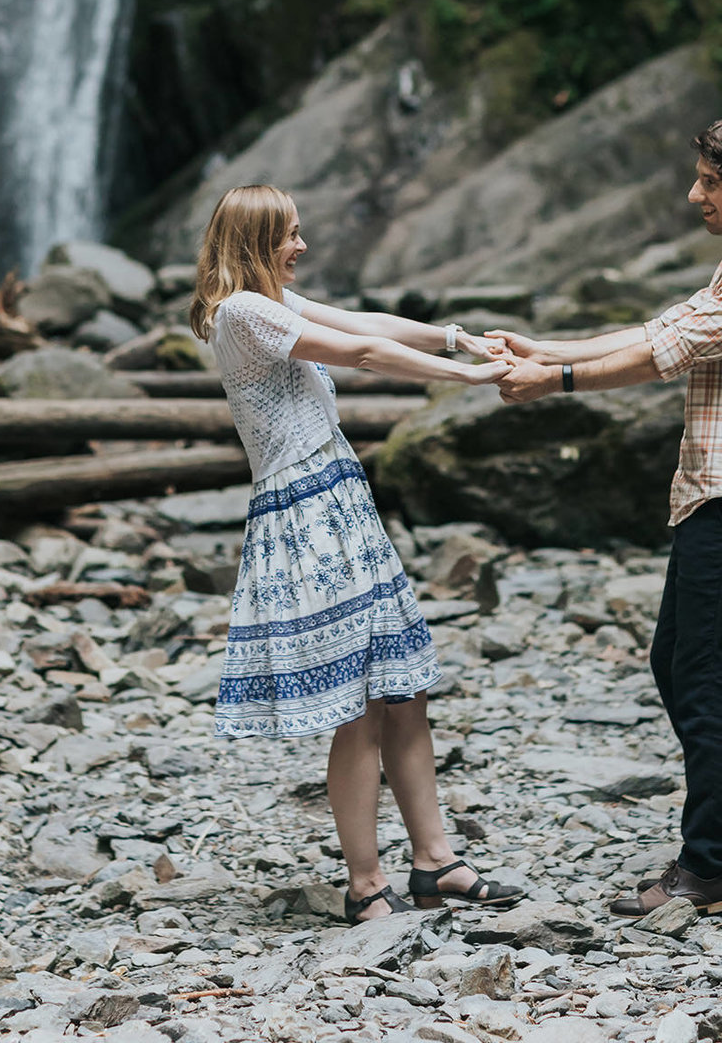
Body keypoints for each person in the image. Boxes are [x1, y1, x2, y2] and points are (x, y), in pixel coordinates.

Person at [488, 120, 722, 918]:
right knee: (676, 660)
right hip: (718, 483)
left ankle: (708, 864)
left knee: (702, 672)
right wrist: (541, 349)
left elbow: (658, 357)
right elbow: (661, 330)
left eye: (712, 181)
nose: (695, 194)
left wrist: (556, 381)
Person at [190, 184, 520, 925]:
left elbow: (365, 321)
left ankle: (436, 863)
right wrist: (467, 379)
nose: (301, 246)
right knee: (363, 707)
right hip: (307, 519)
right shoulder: (244, 313)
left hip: (340, 505)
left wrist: (453, 336)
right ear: (254, 242)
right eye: (289, 235)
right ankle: (366, 885)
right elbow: (365, 352)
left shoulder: (268, 301)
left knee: (403, 693)